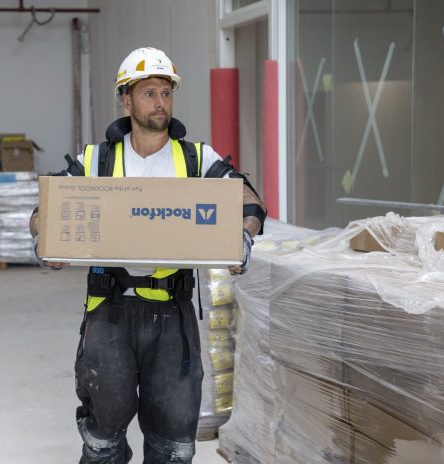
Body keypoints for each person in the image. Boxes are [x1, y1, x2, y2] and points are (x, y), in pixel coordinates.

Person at [29, 47, 266, 463]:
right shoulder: (97, 160)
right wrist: (44, 242)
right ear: (127, 100)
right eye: (149, 93)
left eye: (166, 93)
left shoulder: (196, 159)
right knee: (103, 438)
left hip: (173, 317)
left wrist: (242, 238)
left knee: (173, 442)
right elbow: (44, 211)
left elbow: (249, 200)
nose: (160, 103)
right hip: (109, 311)